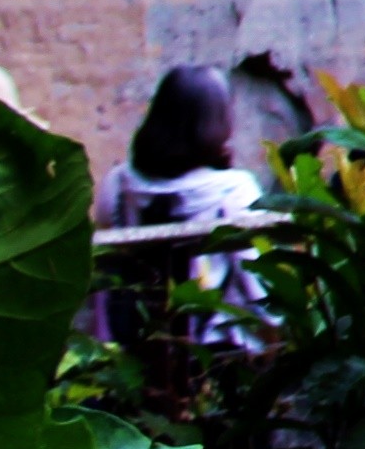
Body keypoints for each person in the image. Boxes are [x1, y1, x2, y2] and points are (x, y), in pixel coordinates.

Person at [107, 65, 269, 346]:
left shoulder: (117, 185)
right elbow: (259, 285)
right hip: (212, 356)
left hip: (134, 348)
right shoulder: (234, 191)